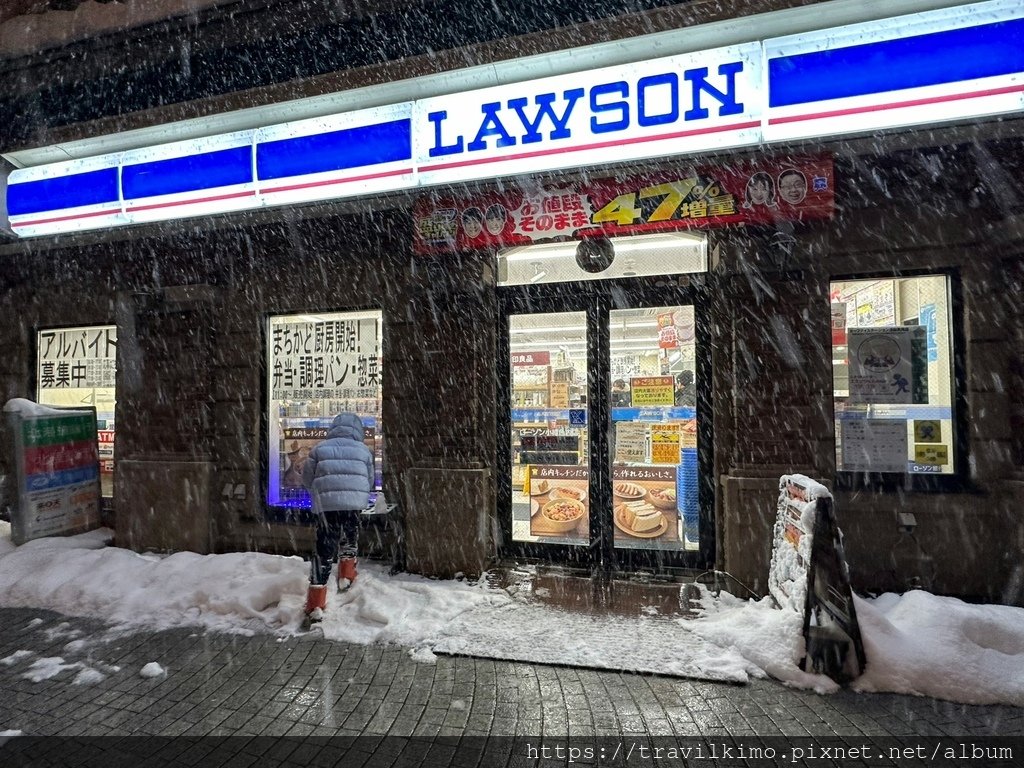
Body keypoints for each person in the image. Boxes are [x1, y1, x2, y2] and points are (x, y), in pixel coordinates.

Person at [301, 412, 375, 621]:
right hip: (353, 505)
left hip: (327, 505)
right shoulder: (363, 450)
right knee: (350, 535)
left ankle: (316, 600)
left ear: (333, 429)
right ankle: (347, 574)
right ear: (358, 430)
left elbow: (307, 479)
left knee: (324, 546)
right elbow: (369, 481)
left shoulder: (319, 449)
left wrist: (321, 492)